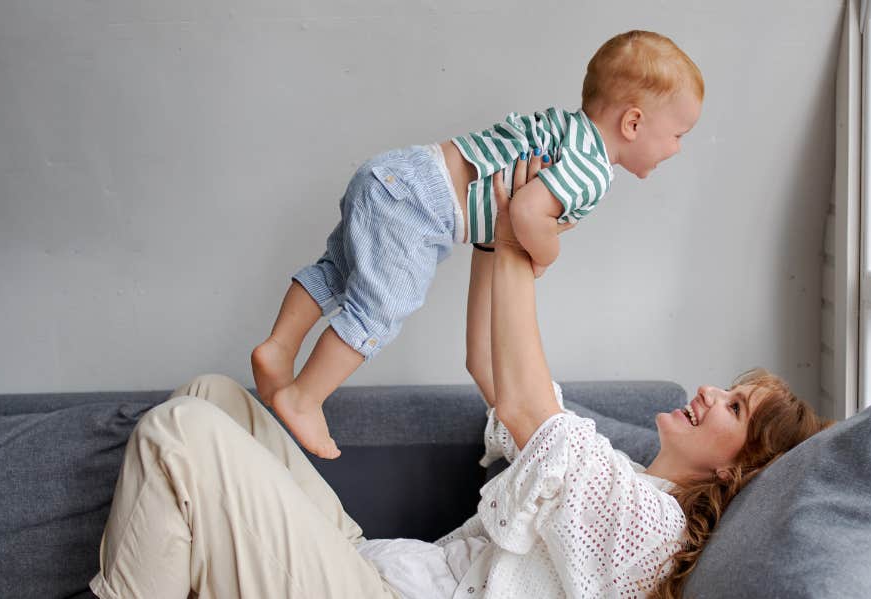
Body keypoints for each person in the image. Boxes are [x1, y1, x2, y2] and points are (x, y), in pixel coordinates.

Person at [89, 156, 828, 599]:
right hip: (377, 567)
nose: (706, 391)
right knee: (209, 397)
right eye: (727, 385)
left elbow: (536, 407)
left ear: (740, 464)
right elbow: (497, 378)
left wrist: (523, 221)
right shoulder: (619, 473)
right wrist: (488, 223)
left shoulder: (651, 530)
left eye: (732, 404)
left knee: (177, 436)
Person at [251, 30, 706, 458]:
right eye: (677, 135)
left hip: (398, 173)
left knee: (337, 270)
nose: (677, 149)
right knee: (382, 307)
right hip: (423, 206)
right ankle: (306, 397)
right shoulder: (591, 169)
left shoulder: (565, 128)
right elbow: (527, 211)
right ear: (633, 122)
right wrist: (547, 253)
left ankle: (279, 346)